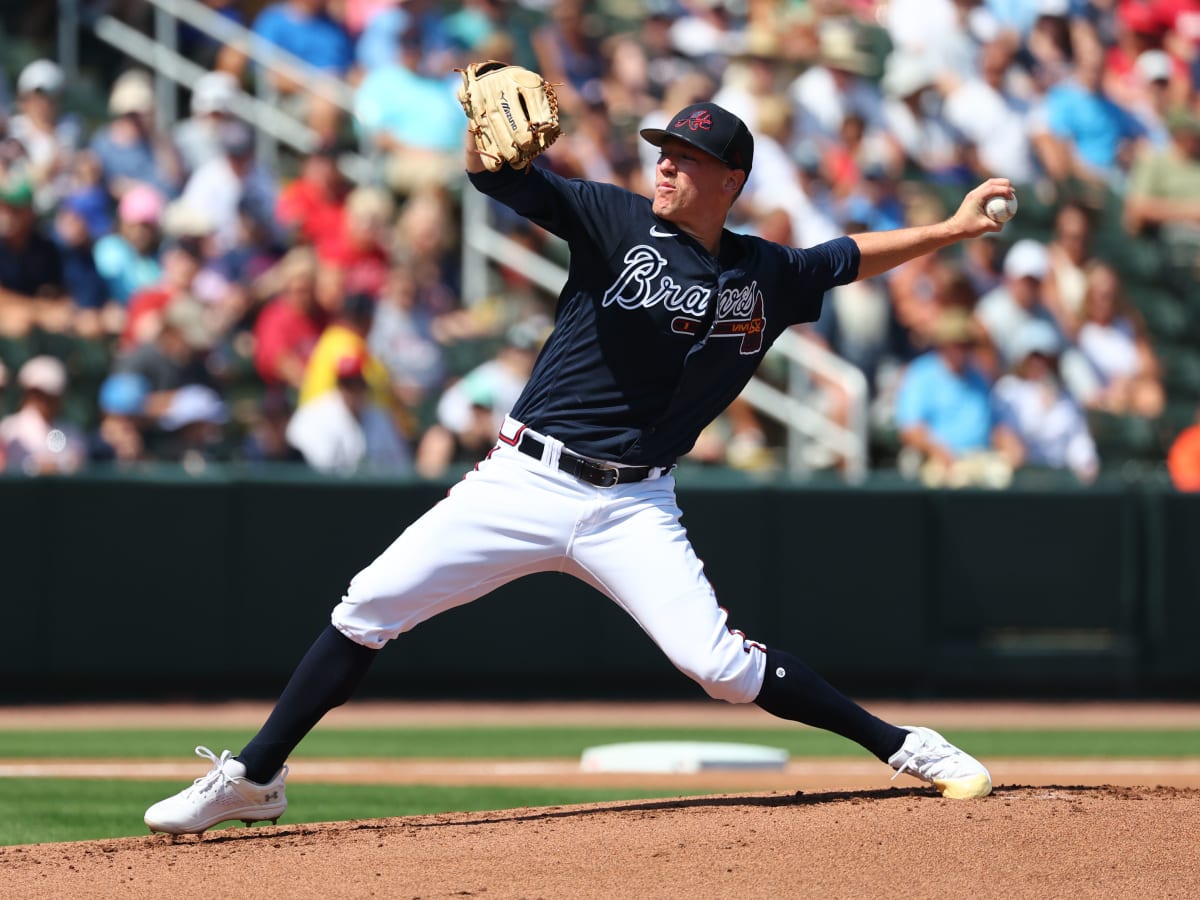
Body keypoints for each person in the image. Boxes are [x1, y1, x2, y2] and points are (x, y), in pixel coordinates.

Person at [145, 99, 1004, 835]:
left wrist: (955, 228)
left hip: (636, 507)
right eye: (663, 153)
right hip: (525, 479)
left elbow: (849, 257)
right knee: (369, 605)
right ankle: (255, 779)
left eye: (687, 158)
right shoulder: (613, 218)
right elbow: (502, 182)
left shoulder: (765, 273)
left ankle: (903, 744)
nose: (665, 168)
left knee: (720, 668)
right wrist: (482, 144)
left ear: (730, 181)